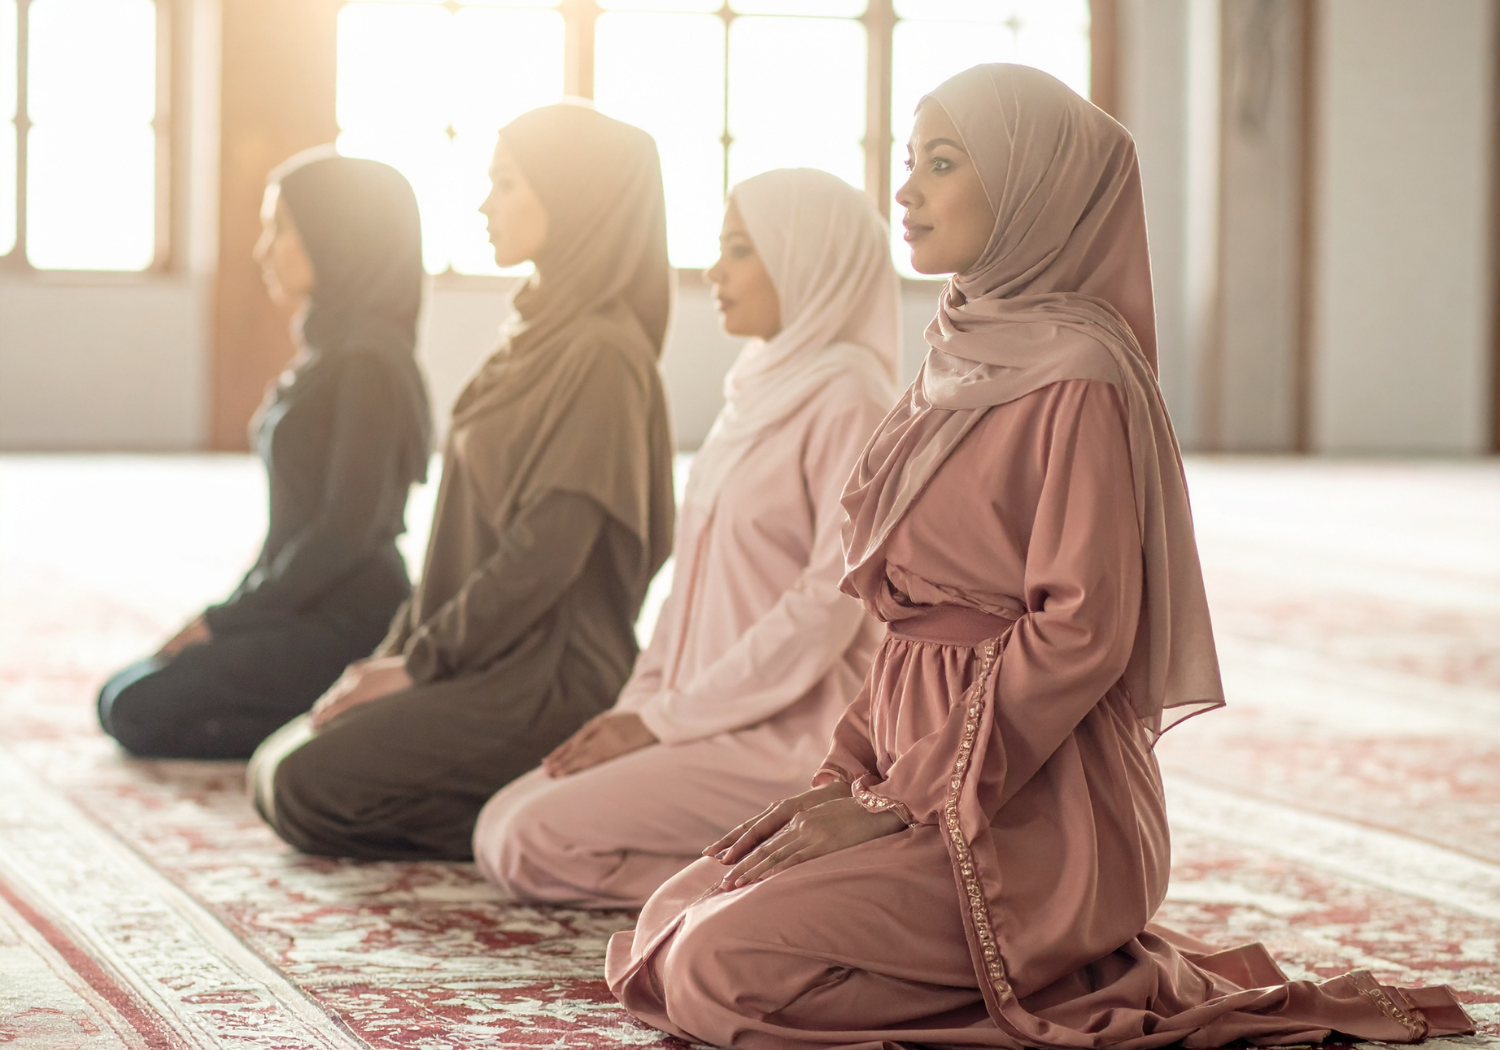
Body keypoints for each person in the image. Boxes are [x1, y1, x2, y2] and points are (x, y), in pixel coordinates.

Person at [605, 65, 1475, 1049]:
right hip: (907, 765)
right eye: (907, 165)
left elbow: (1083, 630)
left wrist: (900, 801)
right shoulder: (953, 358)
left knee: (715, 968)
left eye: (941, 165)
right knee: (671, 920)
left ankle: (1050, 962)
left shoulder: (1080, 373)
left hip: (1029, 806)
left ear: (1030, 188)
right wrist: (841, 780)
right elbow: (904, 626)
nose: (906, 193)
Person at [247, 102, 677, 861]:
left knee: (306, 789)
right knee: (274, 768)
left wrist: (420, 665)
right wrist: (392, 654)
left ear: (578, 197)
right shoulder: (530, 337)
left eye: (507, 184)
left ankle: (556, 827)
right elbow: (457, 540)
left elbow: (544, 555)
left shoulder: (603, 357)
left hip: (545, 673)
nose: (485, 206)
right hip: (475, 648)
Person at [471, 168, 899, 908]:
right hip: (696, 710)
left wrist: (666, 721)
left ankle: (785, 896)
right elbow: (687, 585)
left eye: (740, 250)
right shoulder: (757, 385)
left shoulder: (850, 397)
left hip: (787, 730)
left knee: (529, 841)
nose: (715, 272)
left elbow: (825, 607)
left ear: (806, 259)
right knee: (498, 825)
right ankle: (753, 884)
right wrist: (637, 711)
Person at [97, 151, 432, 760]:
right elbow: (289, 531)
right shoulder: (329, 353)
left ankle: (335, 729)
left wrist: (225, 624)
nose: (263, 250)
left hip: (347, 618)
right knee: (121, 693)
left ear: (337, 238)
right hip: (300, 601)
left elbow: (341, 534)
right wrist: (227, 613)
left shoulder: (369, 364)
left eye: (280, 229)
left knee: (136, 709)